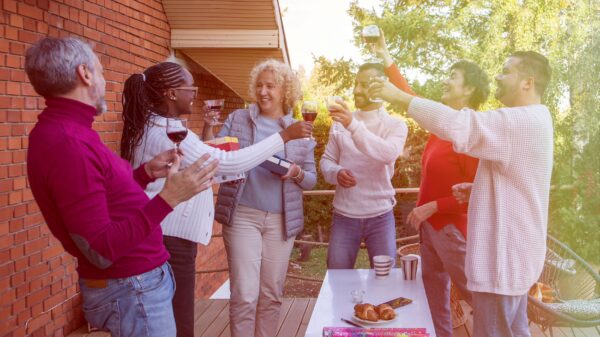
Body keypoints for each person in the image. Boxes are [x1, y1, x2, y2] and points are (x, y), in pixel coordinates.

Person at [25, 37, 219, 337]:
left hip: (136, 286)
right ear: (84, 74)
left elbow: (102, 197)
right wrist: (168, 198)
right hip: (132, 290)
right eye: (101, 72)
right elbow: (100, 248)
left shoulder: (71, 132)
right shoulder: (68, 143)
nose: (105, 81)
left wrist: (143, 175)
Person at [120, 61, 313, 337]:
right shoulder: (170, 130)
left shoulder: (154, 126)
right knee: (183, 321)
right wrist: (282, 137)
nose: (195, 95)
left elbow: (206, 160)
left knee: (172, 320)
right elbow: (226, 161)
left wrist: (293, 168)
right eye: (191, 89)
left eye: (271, 85)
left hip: (168, 235)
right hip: (170, 236)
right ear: (172, 94)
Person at [371, 51, 553, 337]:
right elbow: (518, 183)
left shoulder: (518, 122)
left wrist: (400, 97)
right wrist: (478, 191)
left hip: (502, 265)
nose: (498, 76)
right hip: (513, 261)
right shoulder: (534, 120)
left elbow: (458, 125)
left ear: (527, 82)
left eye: (506, 71)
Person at [371, 31, 489, 337]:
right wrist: (384, 54)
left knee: (482, 302)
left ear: (470, 88)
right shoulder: (442, 124)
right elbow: (407, 96)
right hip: (431, 230)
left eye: (453, 76)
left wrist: (432, 207)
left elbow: (478, 192)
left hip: (453, 233)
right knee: (436, 302)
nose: (446, 80)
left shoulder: (472, 133)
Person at [208, 59, 317, 337]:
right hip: (243, 215)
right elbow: (215, 155)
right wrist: (209, 128)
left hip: (281, 223)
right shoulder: (238, 119)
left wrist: (294, 172)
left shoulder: (300, 128)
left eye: (271, 86)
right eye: (259, 85)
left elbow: (312, 179)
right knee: (245, 294)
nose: (263, 91)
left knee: (271, 294)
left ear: (285, 91)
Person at [320, 63, 408, 269]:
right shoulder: (339, 123)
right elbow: (326, 161)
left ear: (380, 88)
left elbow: (387, 153)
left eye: (365, 85)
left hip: (381, 216)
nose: (357, 90)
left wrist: (352, 125)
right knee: (337, 277)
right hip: (344, 216)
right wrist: (336, 172)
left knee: (385, 281)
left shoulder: (395, 125)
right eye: (356, 84)